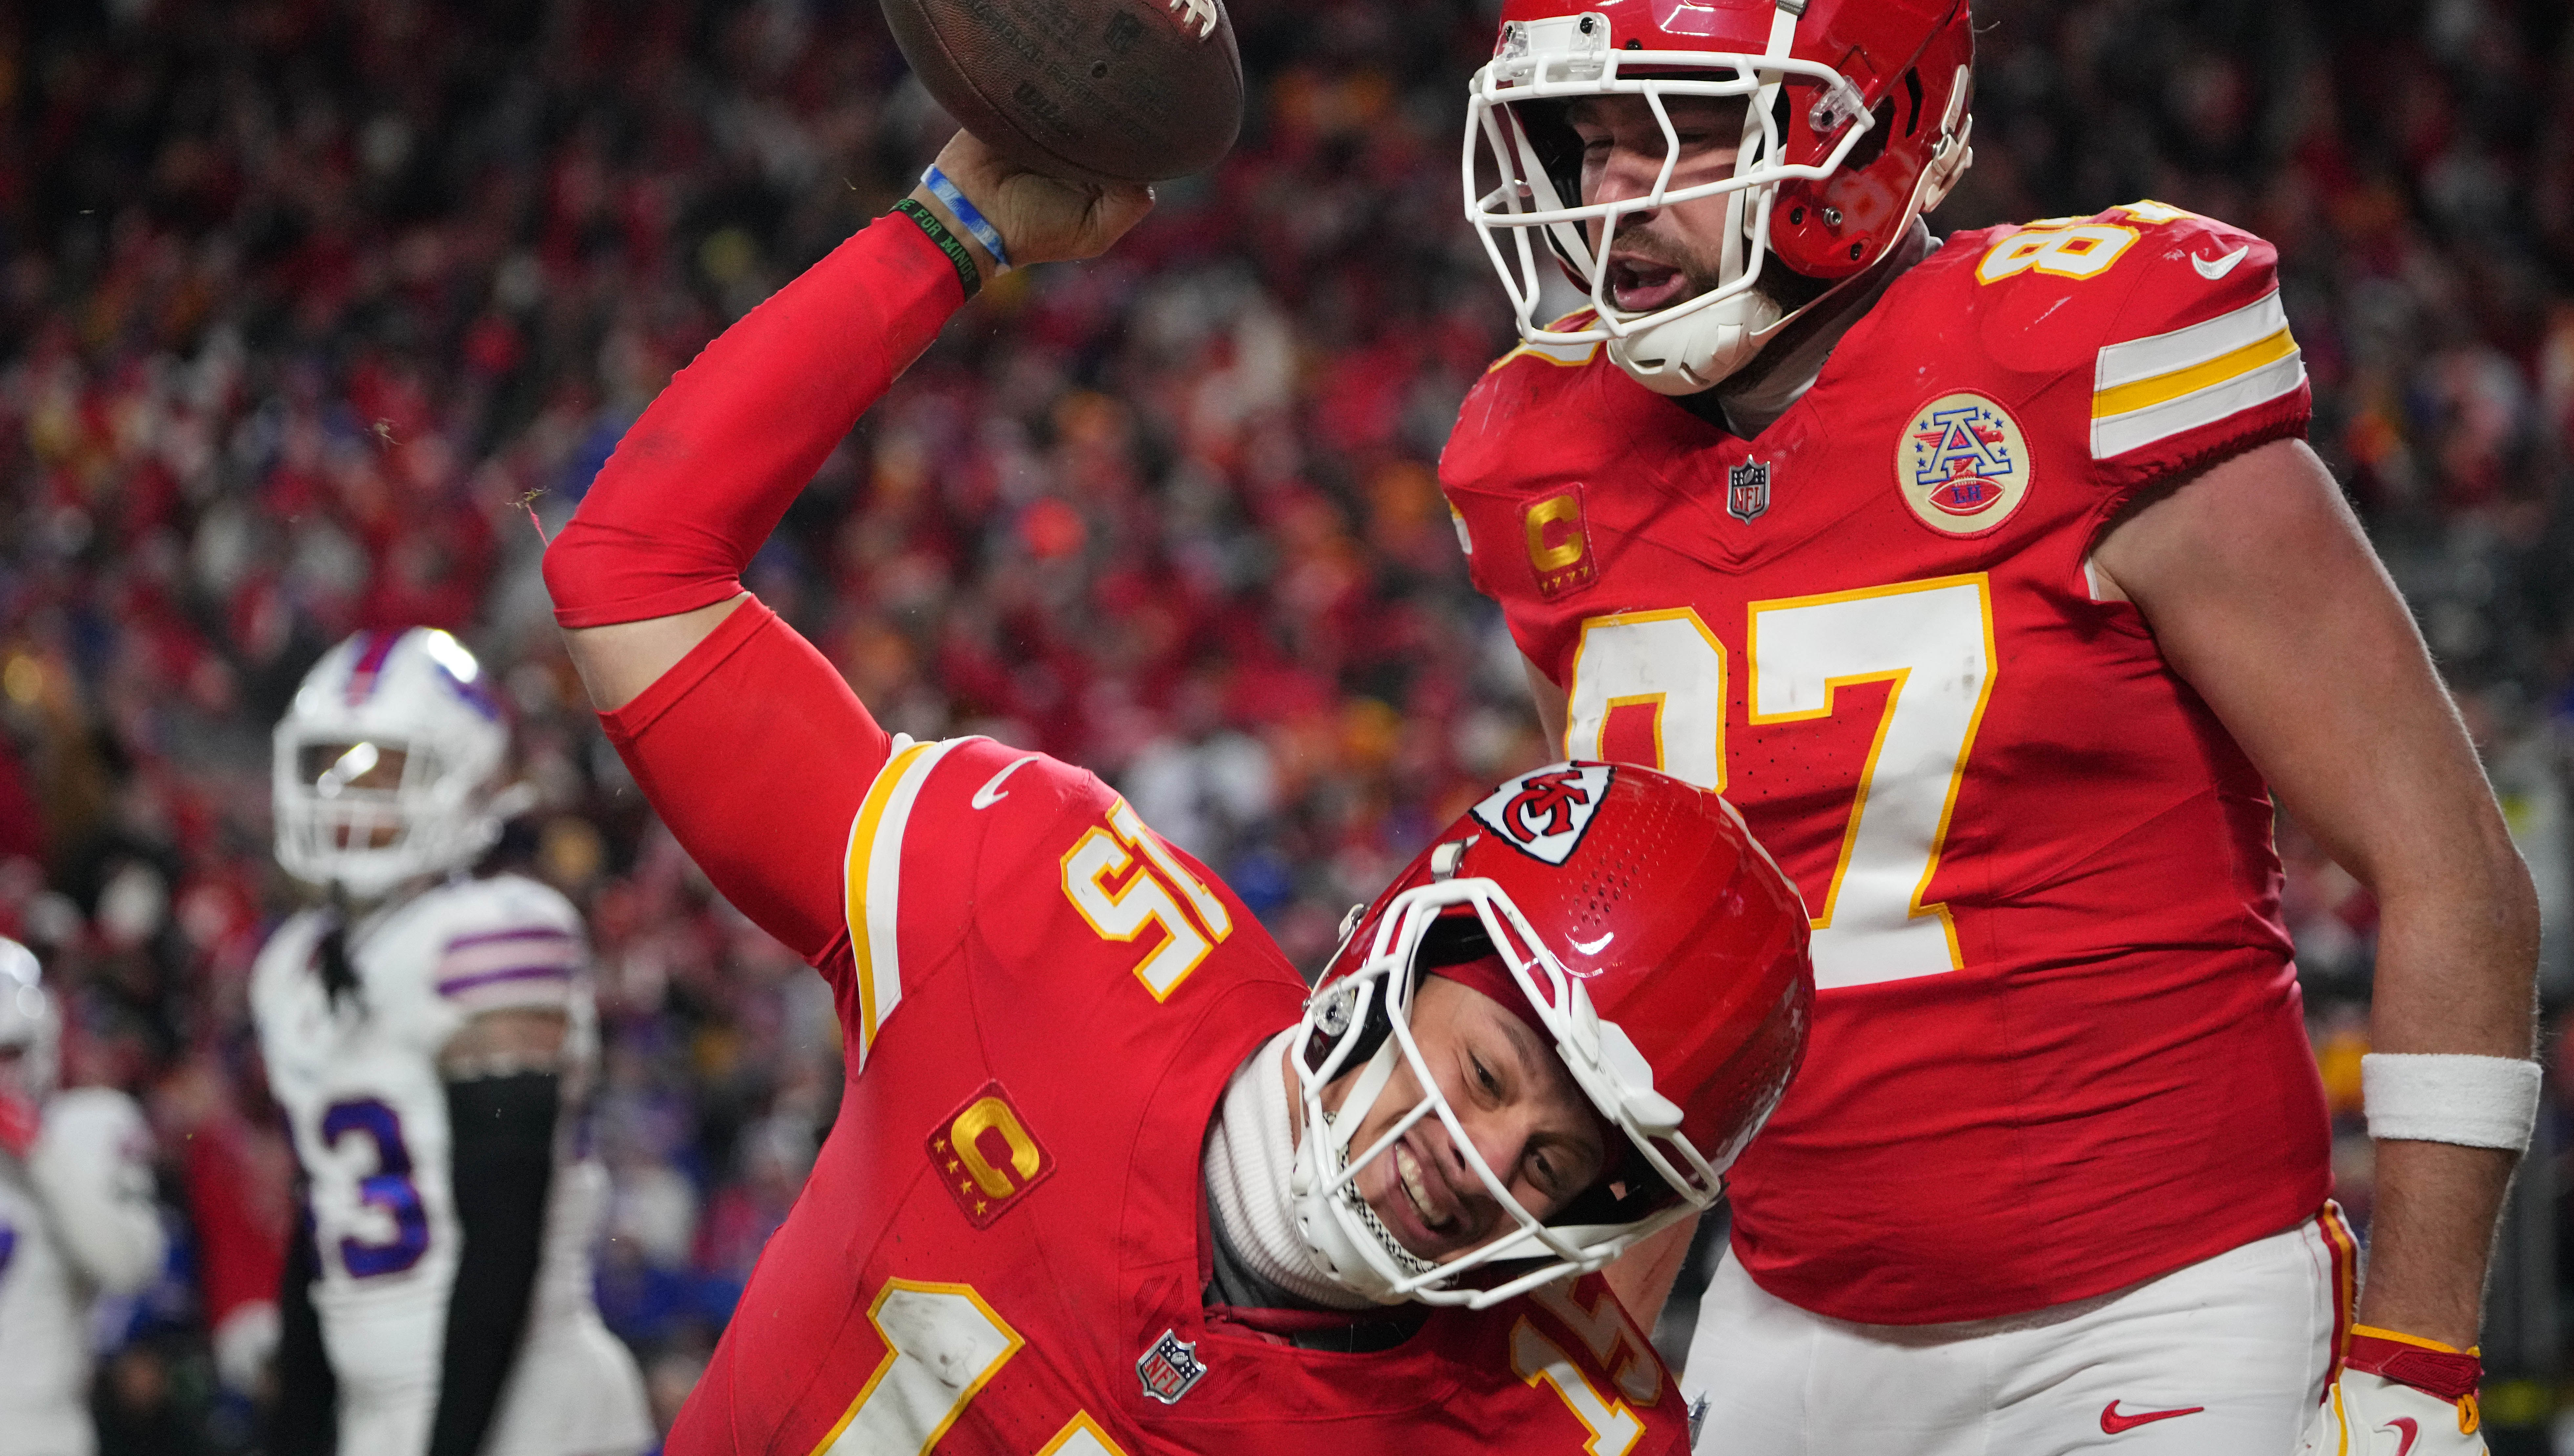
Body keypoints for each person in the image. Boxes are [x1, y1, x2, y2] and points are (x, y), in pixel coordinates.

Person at [1439, 0, 2541, 1456]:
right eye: (1577, 144)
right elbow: (1653, 989)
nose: (1605, 200)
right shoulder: (1540, 458)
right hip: (1792, 1311)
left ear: (1848, 119)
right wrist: (1579, 1354)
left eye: (1665, 135)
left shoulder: (2079, 361)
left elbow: (2454, 872)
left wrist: (2421, 1354)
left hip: (2164, 1302)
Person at [537, 135, 1816, 1454]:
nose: (1479, 1158)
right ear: (1399, 941)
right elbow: (632, 572)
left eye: (1551, 1164)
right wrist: (954, 228)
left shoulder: (1559, 1425)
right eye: (1486, 1070)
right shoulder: (1039, 901)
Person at [251, 626, 654, 1456]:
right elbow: (321, 1217)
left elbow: (503, 1227)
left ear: (466, 775)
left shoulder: (498, 933)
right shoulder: (294, 964)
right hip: (379, 1410)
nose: (343, 794)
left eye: (380, 765)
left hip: (530, 1407)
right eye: (328, 763)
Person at [0, 936, 163, 1456]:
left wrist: (39, 1153)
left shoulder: (86, 1127)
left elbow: (129, 1263)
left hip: (41, 1431)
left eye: (7, 1052)